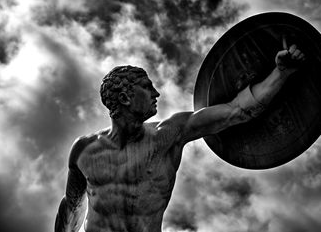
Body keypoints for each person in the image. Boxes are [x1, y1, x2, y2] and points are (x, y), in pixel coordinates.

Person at [55, 44, 305, 232]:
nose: (156, 93)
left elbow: (237, 110)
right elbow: (72, 206)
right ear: (124, 97)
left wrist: (281, 73)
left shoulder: (169, 133)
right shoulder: (84, 150)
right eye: (146, 86)